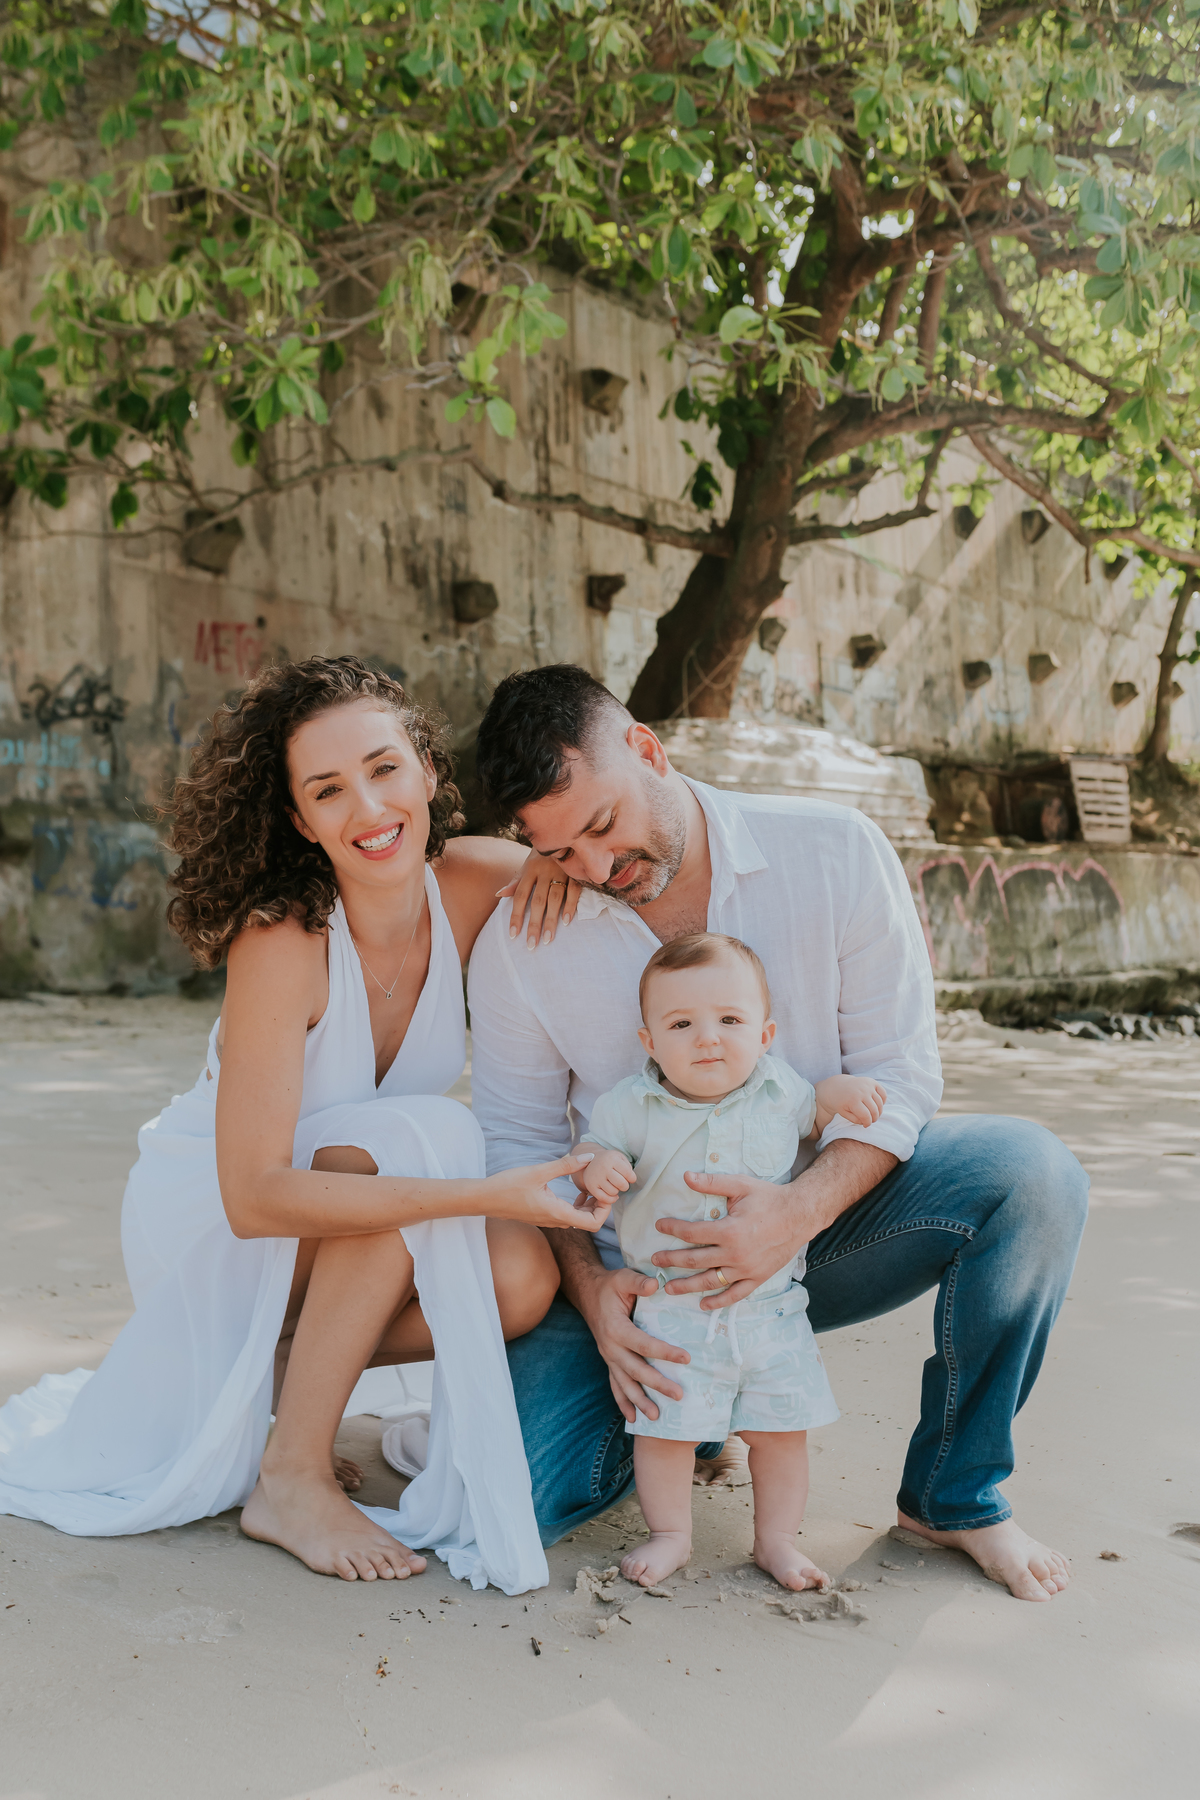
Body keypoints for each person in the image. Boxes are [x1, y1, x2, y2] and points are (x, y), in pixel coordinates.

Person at [468, 664, 1089, 1603]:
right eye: (557, 851)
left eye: (602, 826)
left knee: (1033, 1174)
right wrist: (596, 1300)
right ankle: (701, 1414)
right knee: (507, 1502)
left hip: (817, 1235)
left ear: (647, 750)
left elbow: (899, 1078)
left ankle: (954, 1497)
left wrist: (792, 1215)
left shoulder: (833, 850)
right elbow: (519, 1153)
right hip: (640, 1280)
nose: (594, 870)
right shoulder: (524, 939)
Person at [0, 656, 598, 1592]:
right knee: (427, 1139)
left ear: (428, 772)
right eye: (328, 790)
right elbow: (253, 1196)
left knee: (521, 1278)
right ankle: (290, 1475)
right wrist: (476, 1192)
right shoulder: (283, 939)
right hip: (217, 1214)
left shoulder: (483, 881)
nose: (368, 807)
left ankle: (273, 1372)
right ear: (299, 819)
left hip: (342, 1211)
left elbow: (610, 902)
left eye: (384, 768)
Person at [573, 930, 886, 1592]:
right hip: (670, 1306)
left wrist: (837, 1093)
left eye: (730, 1021)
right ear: (650, 1041)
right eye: (681, 1024)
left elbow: (814, 1112)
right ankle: (671, 1535)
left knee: (780, 1432)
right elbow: (597, 1147)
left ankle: (777, 1540)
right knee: (664, 1432)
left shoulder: (779, 1089)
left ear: (765, 1033)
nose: (708, 1039)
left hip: (771, 1308)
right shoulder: (630, 1105)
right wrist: (599, 1165)